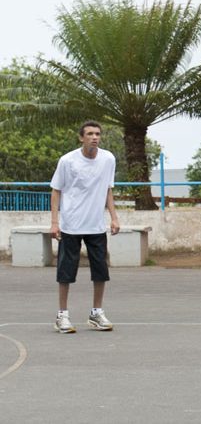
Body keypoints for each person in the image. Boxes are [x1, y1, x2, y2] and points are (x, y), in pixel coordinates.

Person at [48, 121, 120, 334]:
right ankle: (62, 315)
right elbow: (56, 191)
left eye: (97, 133)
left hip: (96, 226)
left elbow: (108, 189)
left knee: (100, 271)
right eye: (89, 134)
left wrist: (114, 218)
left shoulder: (108, 159)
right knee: (66, 272)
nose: (94, 137)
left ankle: (96, 313)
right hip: (71, 225)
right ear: (81, 138)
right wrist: (55, 222)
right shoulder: (67, 161)